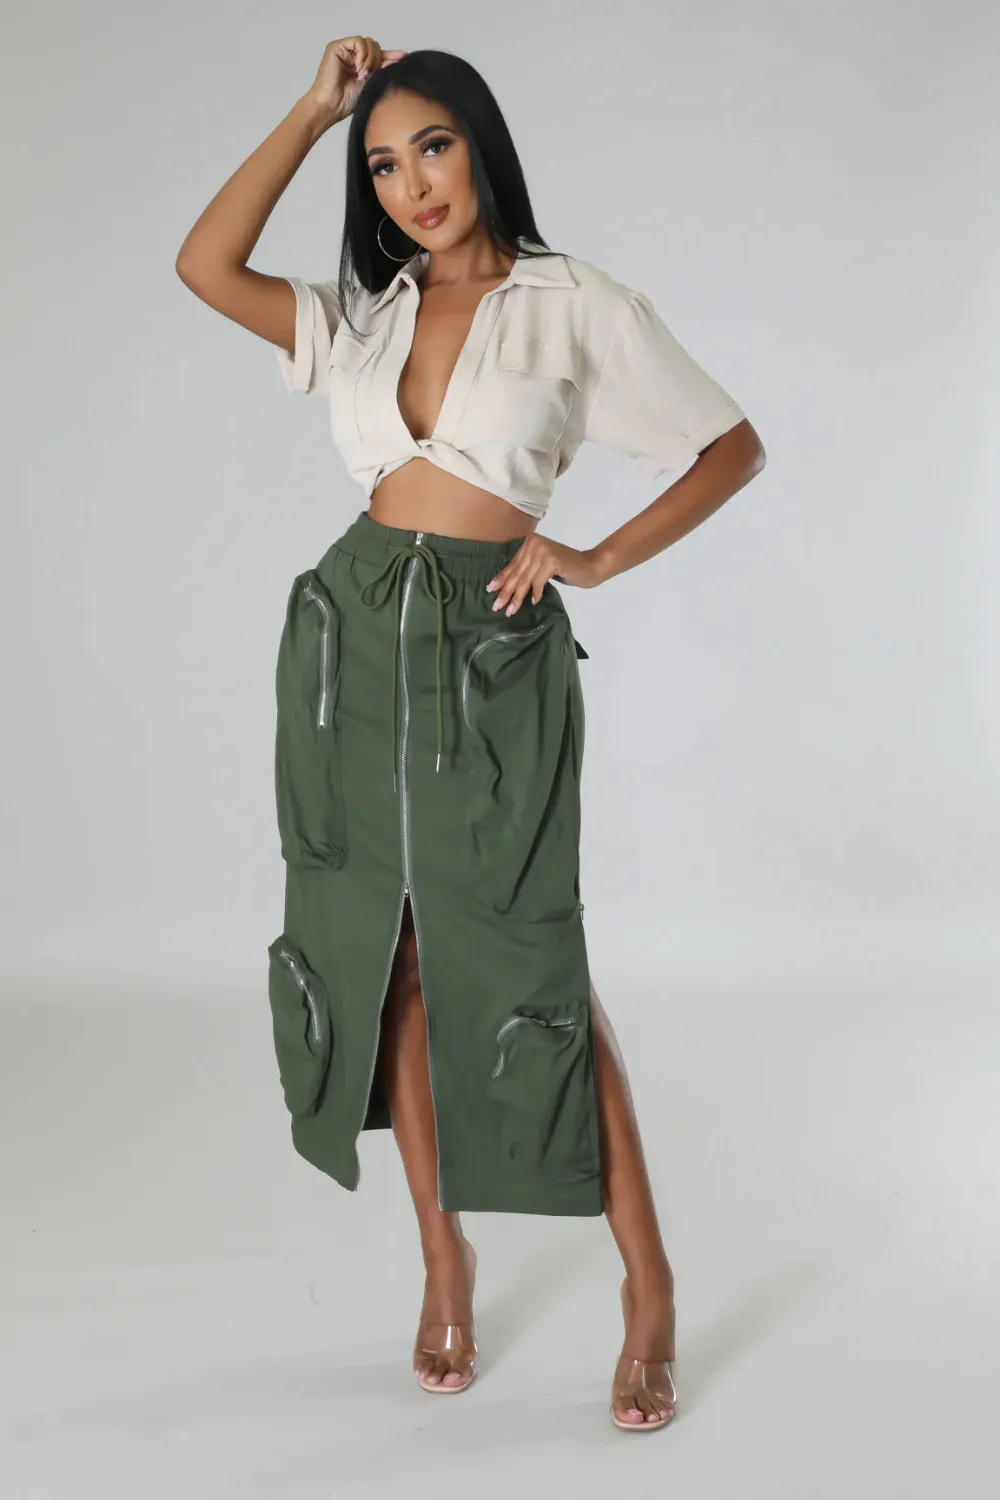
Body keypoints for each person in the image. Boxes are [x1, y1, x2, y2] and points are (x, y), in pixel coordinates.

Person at [175, 37, 766, 1432]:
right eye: (382, 164)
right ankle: (445, 1265)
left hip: (492, 655)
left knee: (527, 952)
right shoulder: (364, 314)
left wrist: (597, 558)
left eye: (430, 146)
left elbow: (730, 447)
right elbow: (204, 265)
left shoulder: (574, 304)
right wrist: (311, 111)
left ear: (482, 144)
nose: (411, 184)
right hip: (352, 643)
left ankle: (649, 1290)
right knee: (388, 957)